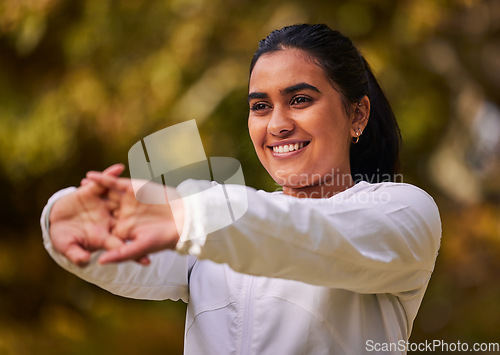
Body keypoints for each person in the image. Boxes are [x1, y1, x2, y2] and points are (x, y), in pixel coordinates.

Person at [41, 24, 442, 354]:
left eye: (300, 99)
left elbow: (314, 236)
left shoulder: (403, 210)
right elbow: (116, 248)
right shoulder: (211, 227)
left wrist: (190, 214)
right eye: (260, 106)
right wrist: (63, 215)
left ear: (357, 114)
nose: (277, 124)